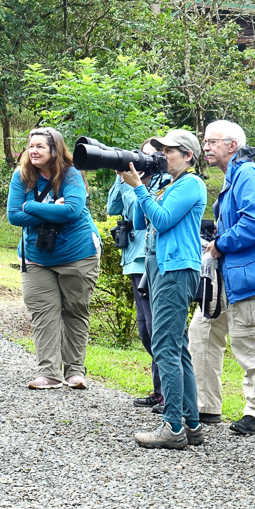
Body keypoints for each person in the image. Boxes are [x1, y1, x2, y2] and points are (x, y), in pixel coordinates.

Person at [193, 120, 255, 436]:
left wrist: (219, 243)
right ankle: (205, 405)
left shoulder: (247, 173)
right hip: (226, 275)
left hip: (247, 275)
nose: (206, 147)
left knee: (249, 340)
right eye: (205, 141)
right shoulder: (232, 177)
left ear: (232, 145)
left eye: (212, 142)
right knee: (202, 332)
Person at [119, 129, 208, 450]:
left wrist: (140, 190)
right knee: (177, 347)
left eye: (169, 150)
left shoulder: (191, 183)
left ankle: (172, 426)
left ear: (188, 156)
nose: (162, 155)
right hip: (163, 268)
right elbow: (144, 223)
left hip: (175, 269)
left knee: (166, 346)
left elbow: (164, 219)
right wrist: (135, 186)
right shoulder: (170, 185)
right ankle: (192, 424)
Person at [6, 127, 102, 390]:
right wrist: (50, 209)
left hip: (78, 254)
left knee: (75, 311)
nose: (33, 151)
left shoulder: (71, 174)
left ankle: (75, 371)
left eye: (40, 147)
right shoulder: (22, 175)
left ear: (54, 151)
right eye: (30, 146)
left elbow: (71, 211)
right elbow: (14, 215)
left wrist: (31, 207)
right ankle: (49, 373)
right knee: (43, 313)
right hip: (36, 256)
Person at [106, 139, 170, 409]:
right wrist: (122, 178)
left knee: (158, 326)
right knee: (145, 328)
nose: (145, 159)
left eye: (151, 155)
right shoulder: (133, 179)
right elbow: (112, 209)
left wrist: (136, 186)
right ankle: (159, 390)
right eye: (141, 154)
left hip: (152, 257)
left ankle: (168, 390)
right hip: (134, 258)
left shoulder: (167, 182)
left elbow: (147, 213)